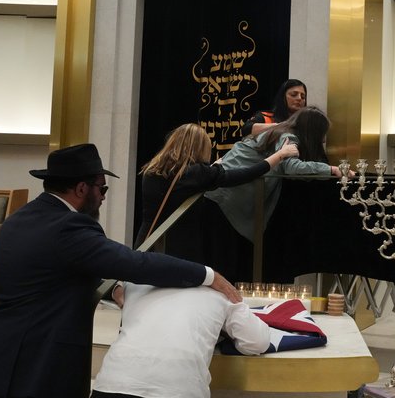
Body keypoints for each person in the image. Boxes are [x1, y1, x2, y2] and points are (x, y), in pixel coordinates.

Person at [0, 143, 240, 398]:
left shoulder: (20, 219)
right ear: (82, 189)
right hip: (32, 371)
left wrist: (113, 288)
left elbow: (54, 268)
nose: (104, 197)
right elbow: (134, 263)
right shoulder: (69, 226)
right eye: (102, 188)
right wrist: (208, 274)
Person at [205, 106, 352, 282]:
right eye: (322, 133)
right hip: (225, 198)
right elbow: (292, 168)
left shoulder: (278, 132)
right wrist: (332, 169)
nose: (323, 140)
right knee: (223, 265)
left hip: (219, 195)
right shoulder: (288, 137)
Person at [134, 123, 299, 262]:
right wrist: (279, 155)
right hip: (179, 248)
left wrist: (211, 170)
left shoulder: (152, 169)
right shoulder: (197, 173)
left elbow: (183, 184)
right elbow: (245, 174)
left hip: (148, 241)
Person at [91, 283, 270, 398]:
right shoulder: (220, 292)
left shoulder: (134, 285)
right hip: (177, 390)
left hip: (112, 384)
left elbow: (113, 287)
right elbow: (257, 342)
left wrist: (117, 288)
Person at [240, 79, 307, 136]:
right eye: (293, 95)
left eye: (303, 97)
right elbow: (246, 130)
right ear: (282, 97)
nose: (299, 98)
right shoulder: (266, 117)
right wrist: (281, 126)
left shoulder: (306, 123)